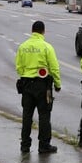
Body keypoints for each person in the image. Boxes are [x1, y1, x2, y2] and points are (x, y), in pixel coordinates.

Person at [15, 20, 61, 154]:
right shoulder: (47, 47)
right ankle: (44, 145)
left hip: (27, 85)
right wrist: (57, 84)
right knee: (44, 116)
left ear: (32, 31)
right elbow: (54, 68)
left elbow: (18, 67)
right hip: (43, 86)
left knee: (27, 115)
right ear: (43, 31)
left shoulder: (23, 47)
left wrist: (27, 75)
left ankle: (25, 145)